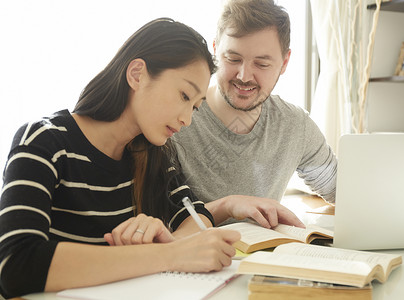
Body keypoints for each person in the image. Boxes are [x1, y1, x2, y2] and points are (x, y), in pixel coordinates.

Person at [0, 18, 241, 299]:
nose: (187, 119)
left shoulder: (154, 154)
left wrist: (170, 242)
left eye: (196, 107)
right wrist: (168, 254)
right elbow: (15, 265)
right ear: (137, 74)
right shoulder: (44, 141)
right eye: (184, 95)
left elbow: (195, 214)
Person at [173, 0, 337, 227]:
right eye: (233, 59)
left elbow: (340, 190)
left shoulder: (295, 125)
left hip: (264, 259)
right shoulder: (175, 120)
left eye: (261, 64)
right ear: (214, 51)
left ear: (284, 62)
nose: (244, 76)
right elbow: (158, 219)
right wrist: (228, 205)